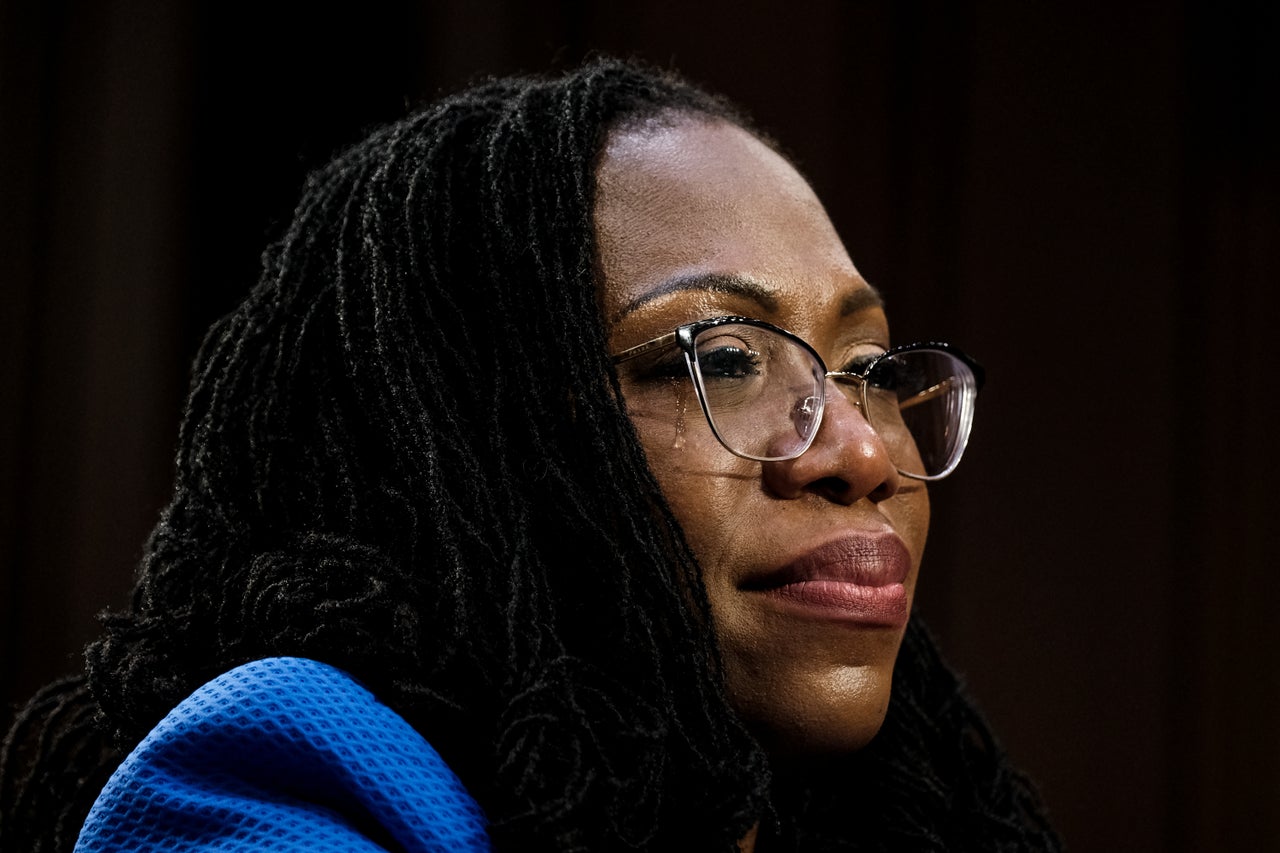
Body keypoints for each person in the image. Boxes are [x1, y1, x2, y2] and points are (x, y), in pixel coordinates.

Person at [0, 59, 1060, 851]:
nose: (863, 450)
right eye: (725, 356)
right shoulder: (281, 783)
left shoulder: (881, 818)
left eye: (867, 363)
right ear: (470, 448)